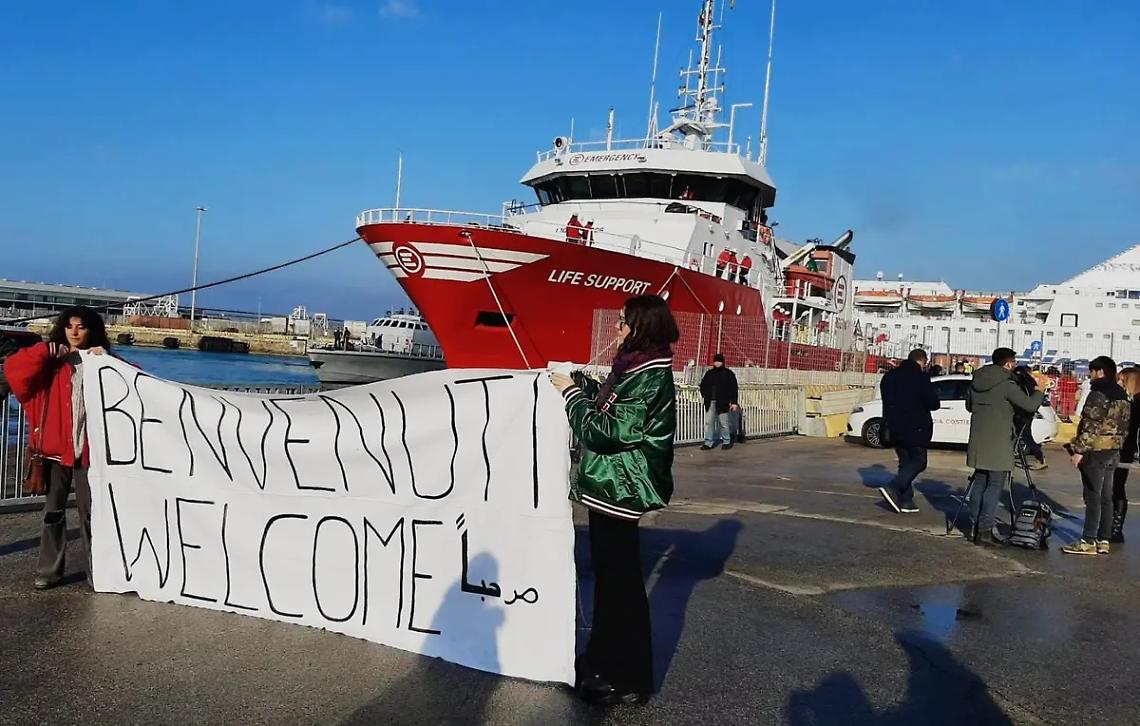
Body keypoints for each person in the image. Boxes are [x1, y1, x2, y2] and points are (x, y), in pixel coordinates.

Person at [549, 294, 679, 706]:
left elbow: (608, 433)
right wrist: (584, 385)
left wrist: (571, 394)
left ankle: (626, 677)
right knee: (611, 582)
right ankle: (603, 662)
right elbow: (613, 409)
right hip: (612, 486)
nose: (616, 327)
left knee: (620, 586)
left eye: (622, 321)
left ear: (641, 326)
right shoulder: (635, 367)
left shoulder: (646, 374)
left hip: (621, 488)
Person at [3, 306, 111, 590]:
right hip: (52, 454)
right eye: (69, 326)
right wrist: (46, 350)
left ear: (92, 331)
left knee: (93, 515)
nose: (74, 332)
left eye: (81, 326)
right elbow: (14, 371)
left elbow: (135, 381)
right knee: (53, 514)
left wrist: (109, 360)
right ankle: (49, 571)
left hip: (91, 454)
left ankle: (99, 572)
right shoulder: (49, 364)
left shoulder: (101, 363)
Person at [965, 348, 1044, 546]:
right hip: (999, 441)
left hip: (978, 439)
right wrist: (1040, 390)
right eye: (1014, 362)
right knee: (994, 486)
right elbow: (1029, 405)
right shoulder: (1007, 384)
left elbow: (969, 406)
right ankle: (985, 530)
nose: (1015, 366)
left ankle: (974, 526)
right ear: (1008, 364)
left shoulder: (977, 380)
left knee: (979, 482)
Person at [1062, 356, 1131, 555]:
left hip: (1096, 451)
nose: (1089, 375)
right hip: (1114, 450)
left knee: (1093, 496)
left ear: (1100, 372)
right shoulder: (1122, 394)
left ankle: (1088, 540)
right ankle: (1103, 539)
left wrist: (1079, 450)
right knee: (1107, 496)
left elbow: (1091, 425)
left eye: (1091, 371)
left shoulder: (1098, 393)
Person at [878, 349, 940, 513]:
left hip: (894, 425)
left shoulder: (889, 377)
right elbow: (933, 403)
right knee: (919, 462)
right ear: (923, 361)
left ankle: (906, 501)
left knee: (905, 462)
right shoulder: (920, 378)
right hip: (916, 427)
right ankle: (893, 486)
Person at [1111, 367, 1140, 543]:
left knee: (1117, 486)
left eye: (1123, 380)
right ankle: (1113, 526)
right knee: (1115, 486)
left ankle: (1115, 528)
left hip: (1125, 449)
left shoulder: (1136, 401)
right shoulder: (1128, 399)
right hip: (1121, 447)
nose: (1120, 383)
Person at [699, 353, 739, 451]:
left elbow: (733, 388)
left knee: (723, 423)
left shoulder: (728, 374)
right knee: (709, 423)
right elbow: (702, 385)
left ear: (722, 362)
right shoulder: (709, 374)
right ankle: (708, 442)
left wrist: (734, 402)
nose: (717, 363)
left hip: (723, 402)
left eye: (719, 361)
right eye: (716, 361)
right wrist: (704, 395)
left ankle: (726, 441)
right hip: (710, 402)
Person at [1012, 365, 1048, 470]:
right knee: (1022, 435)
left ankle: (1040, 458)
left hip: (1021, 414)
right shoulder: (1030, 382)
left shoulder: (1022, 382)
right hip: (1026, 413)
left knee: (1025, 435)